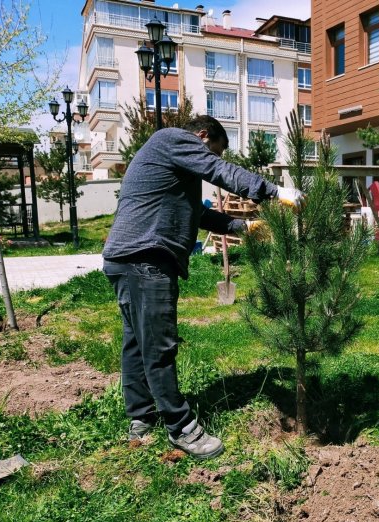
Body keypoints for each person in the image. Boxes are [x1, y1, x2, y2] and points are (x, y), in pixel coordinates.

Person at [102, 115, 304, 459]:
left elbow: (197, 214)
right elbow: (221, 173)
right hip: (145, 259)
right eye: (214, 151)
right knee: (159, 347)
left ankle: (141, 419)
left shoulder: (169, 166)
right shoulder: (173, 139)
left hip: (125, 259)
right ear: (202, 136)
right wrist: (275, 191)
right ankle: (181, 429)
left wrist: (243, 227)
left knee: (137, 343)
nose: (212, 159)